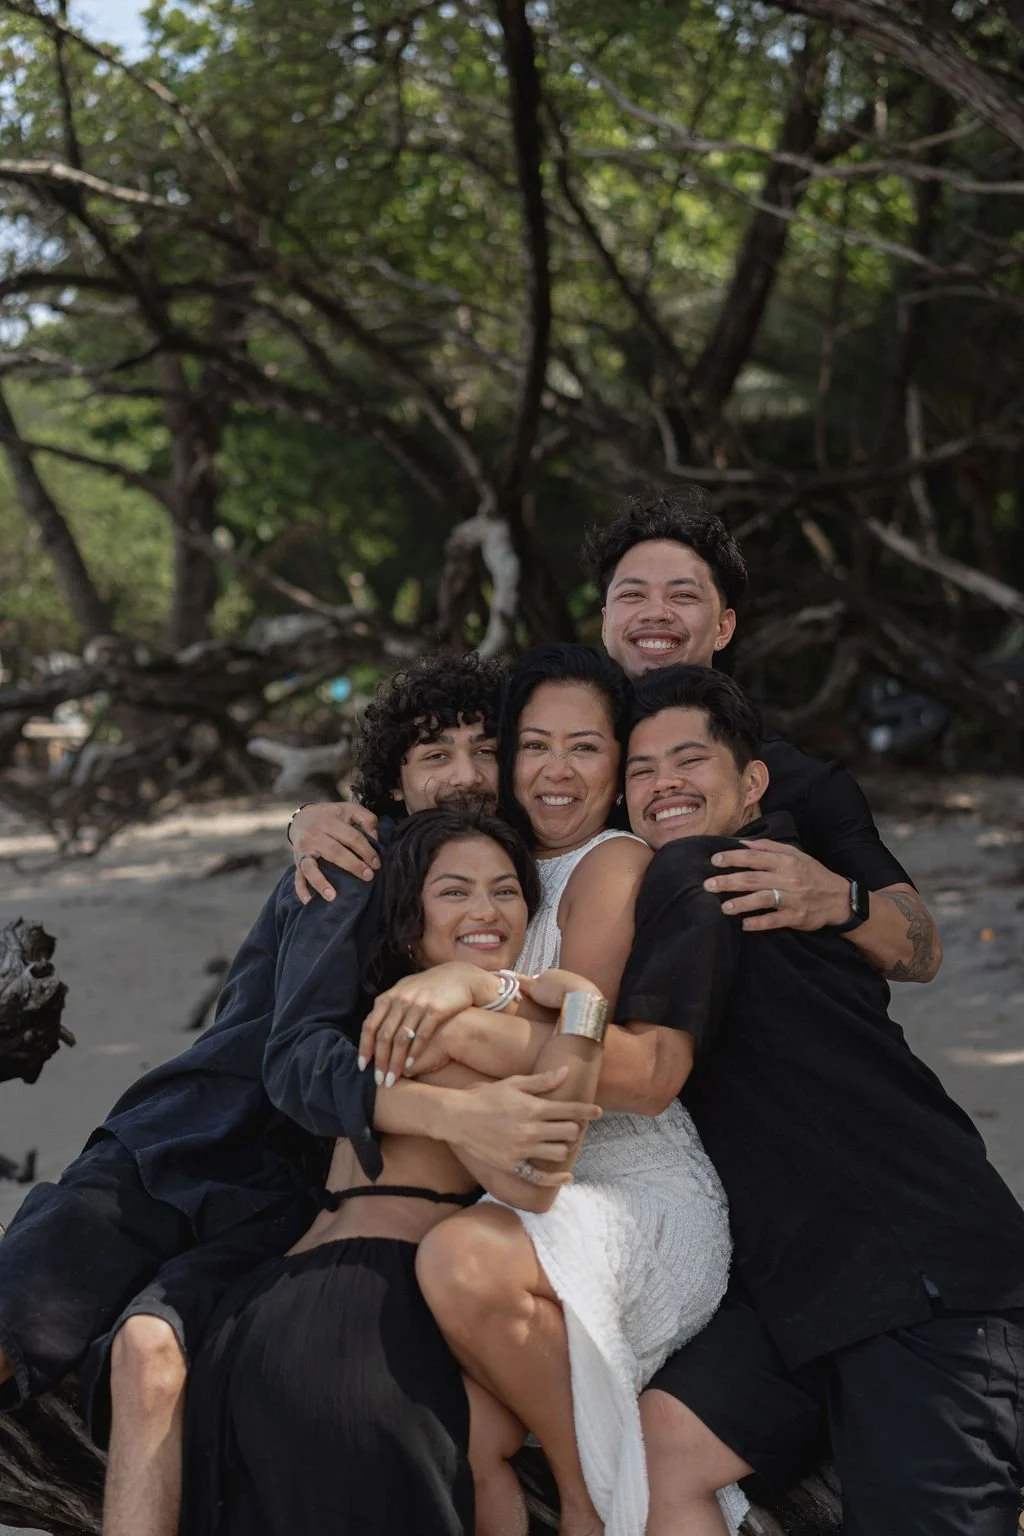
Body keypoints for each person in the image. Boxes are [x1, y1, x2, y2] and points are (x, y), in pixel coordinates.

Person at [0, 654, 598, 1536]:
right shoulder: (353, 861)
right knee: (28, 1315)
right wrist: (455, 1111)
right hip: (190, 1145)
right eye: (435, 754)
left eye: (485, 750)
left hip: (286, 1195)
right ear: (392, 781)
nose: (465, 774)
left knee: (151, 1351)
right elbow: (298, 1059)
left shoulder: (490, 877)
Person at [607, 664, 1024, 1536]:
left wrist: (479, 1018)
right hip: (799, 1291)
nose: (664, 784)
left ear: (753, 783)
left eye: (689, 761)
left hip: (919, 1276)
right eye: (641, 770)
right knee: (659, 1456)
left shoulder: (707, 869)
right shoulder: (713, 878)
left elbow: (644, 1074)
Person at [357, 645, 744, 1536]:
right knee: (464, 1434)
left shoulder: (611, 862)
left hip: (628, 1186)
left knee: (456, 1262)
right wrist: (308, 822)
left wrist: (462, 998)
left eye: (585, 747)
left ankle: (588, 1499)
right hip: (523, 1181)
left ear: (618, 766)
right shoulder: (493, 860)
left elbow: (573, 1060)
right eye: (533, 746)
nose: (556, 771)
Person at [289, 486, 943, 991]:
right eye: (633, 596)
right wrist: (307, 820)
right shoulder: (544, 760)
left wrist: (838, 899)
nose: (655, 613)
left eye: (682, 596)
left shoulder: (797, 778)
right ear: (605, 620)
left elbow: (924, 954)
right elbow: (436, 782)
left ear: (723, 625)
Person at [179, 807, 607, 1536]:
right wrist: (586, 1005)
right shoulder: (441, 1026)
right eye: (454, 891)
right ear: (410, 926)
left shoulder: (378, 1017)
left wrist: (489, 988)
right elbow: (536, 1176)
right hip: (358, 1313)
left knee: (482, 1448)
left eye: (505, 890)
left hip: (267, 1311)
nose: (485, 909)